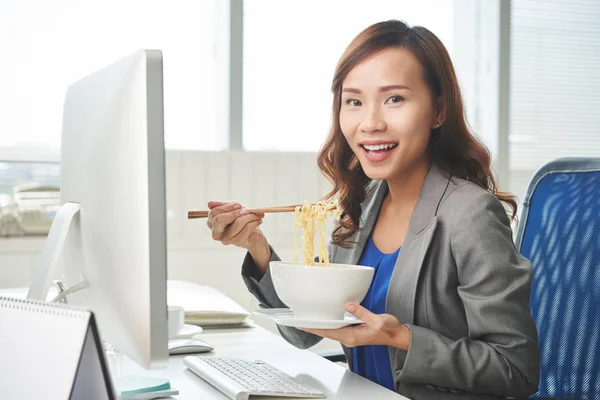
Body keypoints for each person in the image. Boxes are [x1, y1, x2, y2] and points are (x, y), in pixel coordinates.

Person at [206, 20, 540, 399]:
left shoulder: (470, 214)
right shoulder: (361, 206)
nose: (371, 123)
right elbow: (304, 330)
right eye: (354, 101)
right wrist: (257, 247)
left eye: (394, 99)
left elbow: (516, 370)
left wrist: (401, 338)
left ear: (438, 111)